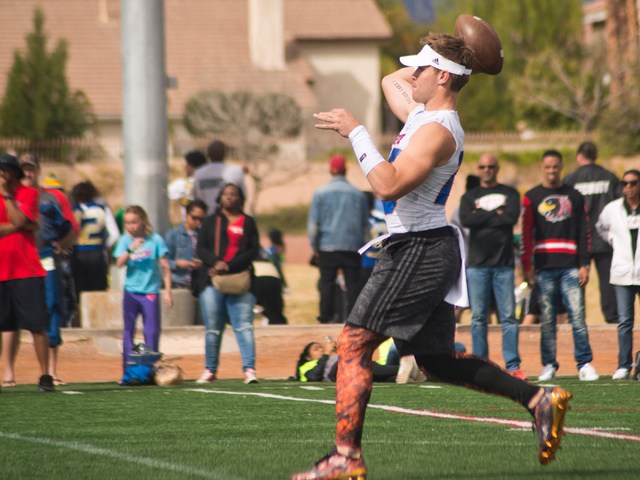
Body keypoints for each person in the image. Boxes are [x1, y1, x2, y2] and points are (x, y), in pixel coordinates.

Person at [291, 34, 572, 480]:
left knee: (354, 342)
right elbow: (390, 78)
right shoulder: (423, 113)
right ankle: (538, 400)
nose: (412, 75)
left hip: (418, 248)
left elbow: (387, 184)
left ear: (441, 76)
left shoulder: (438, 131)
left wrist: (358, 132)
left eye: (422, 68)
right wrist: (459, 53)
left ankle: (346, 457)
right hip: (424, 244)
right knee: (434, 361)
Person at [521, 150, 599, 382]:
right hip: (544, 267)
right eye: (548, 167)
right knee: (547, 318)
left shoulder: (574, 196)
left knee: (577, 315)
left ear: (561, 167)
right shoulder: (532, 196)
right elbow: (526, 235)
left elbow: (583, 232)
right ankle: (549, 364)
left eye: (556, 167)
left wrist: (584, 264)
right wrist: (527, 266)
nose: (552, 171)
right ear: (542, 168)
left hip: (570, 266)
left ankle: (584, 363)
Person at [459, 153, 525, 380]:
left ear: (497, 168)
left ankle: (513, 365)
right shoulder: (469, 196)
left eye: (490, 167)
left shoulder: (511, 193)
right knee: (478, 317)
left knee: (508, 317)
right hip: (477, 265)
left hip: (504, 265)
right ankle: (480, 364)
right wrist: (495, 214)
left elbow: (511, 218)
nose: (486, 170)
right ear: (478, 169)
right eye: (482, 167)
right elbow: (468, 220)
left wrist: (483, 216)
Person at [14, 154, 76, 385]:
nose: (28, 174)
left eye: (32, 169)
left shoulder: (49, 199)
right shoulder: (11, 198)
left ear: (38, 171)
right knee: (11, 317)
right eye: (24, 169)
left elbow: (69, 228)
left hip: (46, 260)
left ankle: (51, 370)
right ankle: (9, 371)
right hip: (20, 262)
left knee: (52, 307)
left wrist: (62, 245)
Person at [192, 183, 260, 384]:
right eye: (226, 194)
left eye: (234, 194)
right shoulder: (211, 221)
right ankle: (210, 369)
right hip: (212, 280)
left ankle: (249, 369)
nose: (230, 197)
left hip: (240, 280)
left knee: (244, 326)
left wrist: (228, 265)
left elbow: (253, 250)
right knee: (213, 328)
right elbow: (201, 248)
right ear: (219, 198)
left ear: (240, 198)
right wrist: (215, 263)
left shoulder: (248, 222)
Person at [0, 153, 55, 392]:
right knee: (3, 325)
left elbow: (20, 217)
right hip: (2, 272)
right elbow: (20, 223)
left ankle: (45, 376)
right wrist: (22, 226)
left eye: (5, 169)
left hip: (27, 271)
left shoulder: (29, 194)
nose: (1, 173)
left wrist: (7, 197)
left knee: (36, 325)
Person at [308, 155, 369, 323]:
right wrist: (364, 246)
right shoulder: (358, 195)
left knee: (326, 283)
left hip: (327, 246)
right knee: (353, 284)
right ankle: (354, 318)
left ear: (330, 170)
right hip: (352, 246)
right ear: (345, 170)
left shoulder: (320, 193)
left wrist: (315, 246)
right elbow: (365, 225)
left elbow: (314, 224)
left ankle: (325, 317)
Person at [564, 142, 620, 324]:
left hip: (579, 241)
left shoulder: (570, 180)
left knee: (577, 282)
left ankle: (576, 321)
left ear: (579, 156)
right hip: (605, 239)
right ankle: (612, 320)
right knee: (608, 283)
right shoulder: (610, 178)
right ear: (595, 156)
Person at [113, 205, 173, 372]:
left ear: (143, 221)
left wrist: (168, 291)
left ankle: (150, 369)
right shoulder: (125, 240)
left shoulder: (155, 240)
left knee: (151, 331)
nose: (131, 226)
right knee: (128, 331)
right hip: (131, 292)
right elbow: (118, 263)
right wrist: (130, 249)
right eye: (127, 223)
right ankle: (128, 369)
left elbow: (166, 266)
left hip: (150, 292)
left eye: (134, 222)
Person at [596, 169, 640, 380]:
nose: (628, 188)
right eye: (625, 184)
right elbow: (600, 227)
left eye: (633, 183)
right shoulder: (612, 209)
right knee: (624, 322)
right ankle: (623, 365)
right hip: (622, 273)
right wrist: (613, 241)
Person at [71, 181, 120, 300]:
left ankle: (81, 316)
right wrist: (105, 246)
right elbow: (115, 234)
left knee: (79, 292)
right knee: (98, 291)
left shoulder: (71, 209)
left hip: (77, 253)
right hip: (97, 253)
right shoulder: (103, 209)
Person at [295, 338, 398, 383]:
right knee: (369, 368)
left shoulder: (328, 358)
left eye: (321, 347)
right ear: (307, 357)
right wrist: (326, 353)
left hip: (346, 364)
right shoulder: (305, 367)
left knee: (378, 376)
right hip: (339, 369)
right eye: (316, 349)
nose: (321, 350)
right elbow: (313, 376)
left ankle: (403, 375)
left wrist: (337, 350)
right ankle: (402, 370)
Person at [193, 140, 246, 214]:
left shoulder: (199, 173)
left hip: (206, 219)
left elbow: (196, 198)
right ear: (225, 153)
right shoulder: (236, 172)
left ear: (208, 154)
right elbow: (243, 198)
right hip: (228, 219)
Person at [164, 199, 207, 289]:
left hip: (199, 282)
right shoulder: (174, 234)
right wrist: (177, 263)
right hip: (179, 282)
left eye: (201, 219)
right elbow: (164, 261)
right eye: (194, 218)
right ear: (187, 216)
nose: (198, 222)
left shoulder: (204, 234)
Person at [168, 150, 207, 221]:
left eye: (187, 165)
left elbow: (164, 193)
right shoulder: (207, 183)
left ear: (191, 166)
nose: (185, 167)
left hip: (188, 226)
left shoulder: (182, 184)